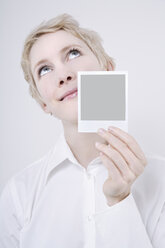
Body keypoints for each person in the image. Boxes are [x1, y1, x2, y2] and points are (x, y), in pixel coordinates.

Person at [0, 13, 165, 248]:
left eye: (73, 53)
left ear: (108, 69)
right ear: (43, 103)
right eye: (44, 69)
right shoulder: (18, 194)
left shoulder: (162, 179)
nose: (63, 75)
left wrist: (119, 202)